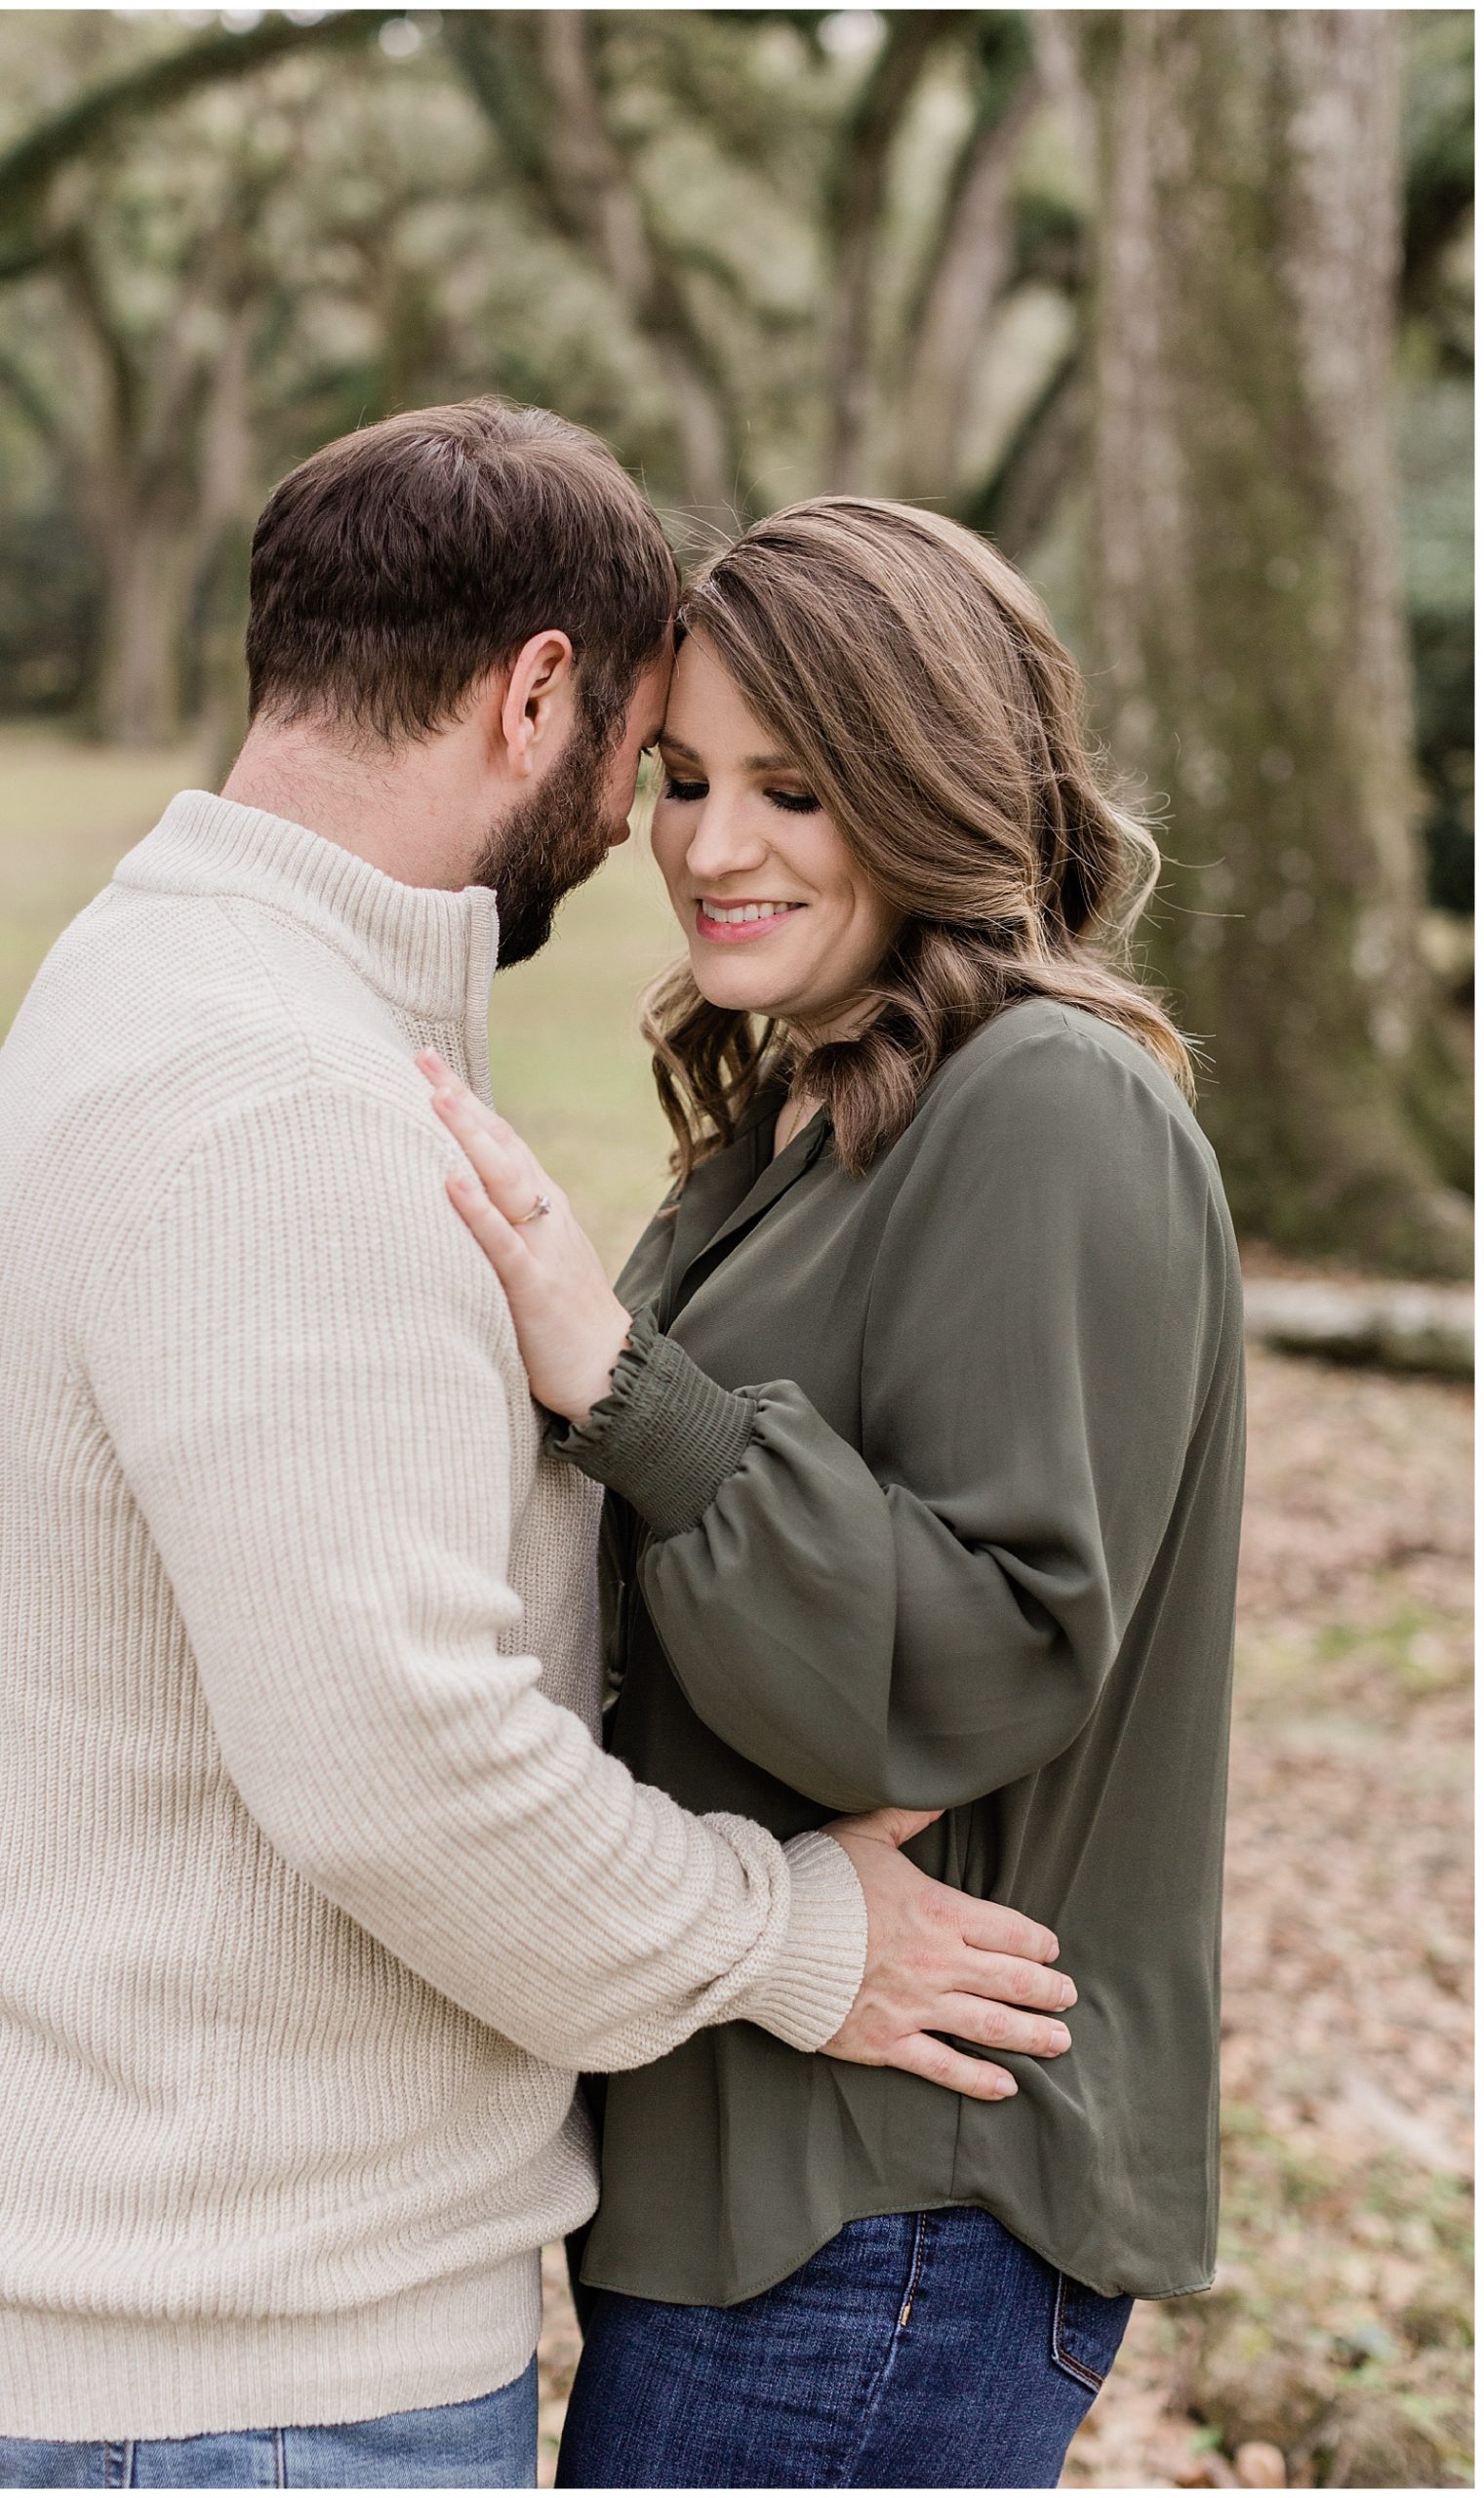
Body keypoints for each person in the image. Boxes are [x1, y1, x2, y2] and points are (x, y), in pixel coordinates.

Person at [0, 410, 1079, 2494]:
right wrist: (792, 1934)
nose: (653, 834)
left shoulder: (158, 967)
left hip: (190, 2302)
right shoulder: (278, 1097)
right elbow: (404, 1763)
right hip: (247, 2353)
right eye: (650, 761)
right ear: (534, 691)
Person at [428, 494, 1248, 2490]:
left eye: (792, 786)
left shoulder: (1045, 1106)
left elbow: (962, 1670)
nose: (710, 847)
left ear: (926, 778)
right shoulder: (817, 1109)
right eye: (685, 779)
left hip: (895, 2198)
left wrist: (617, 1378)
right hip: (774, 2175)